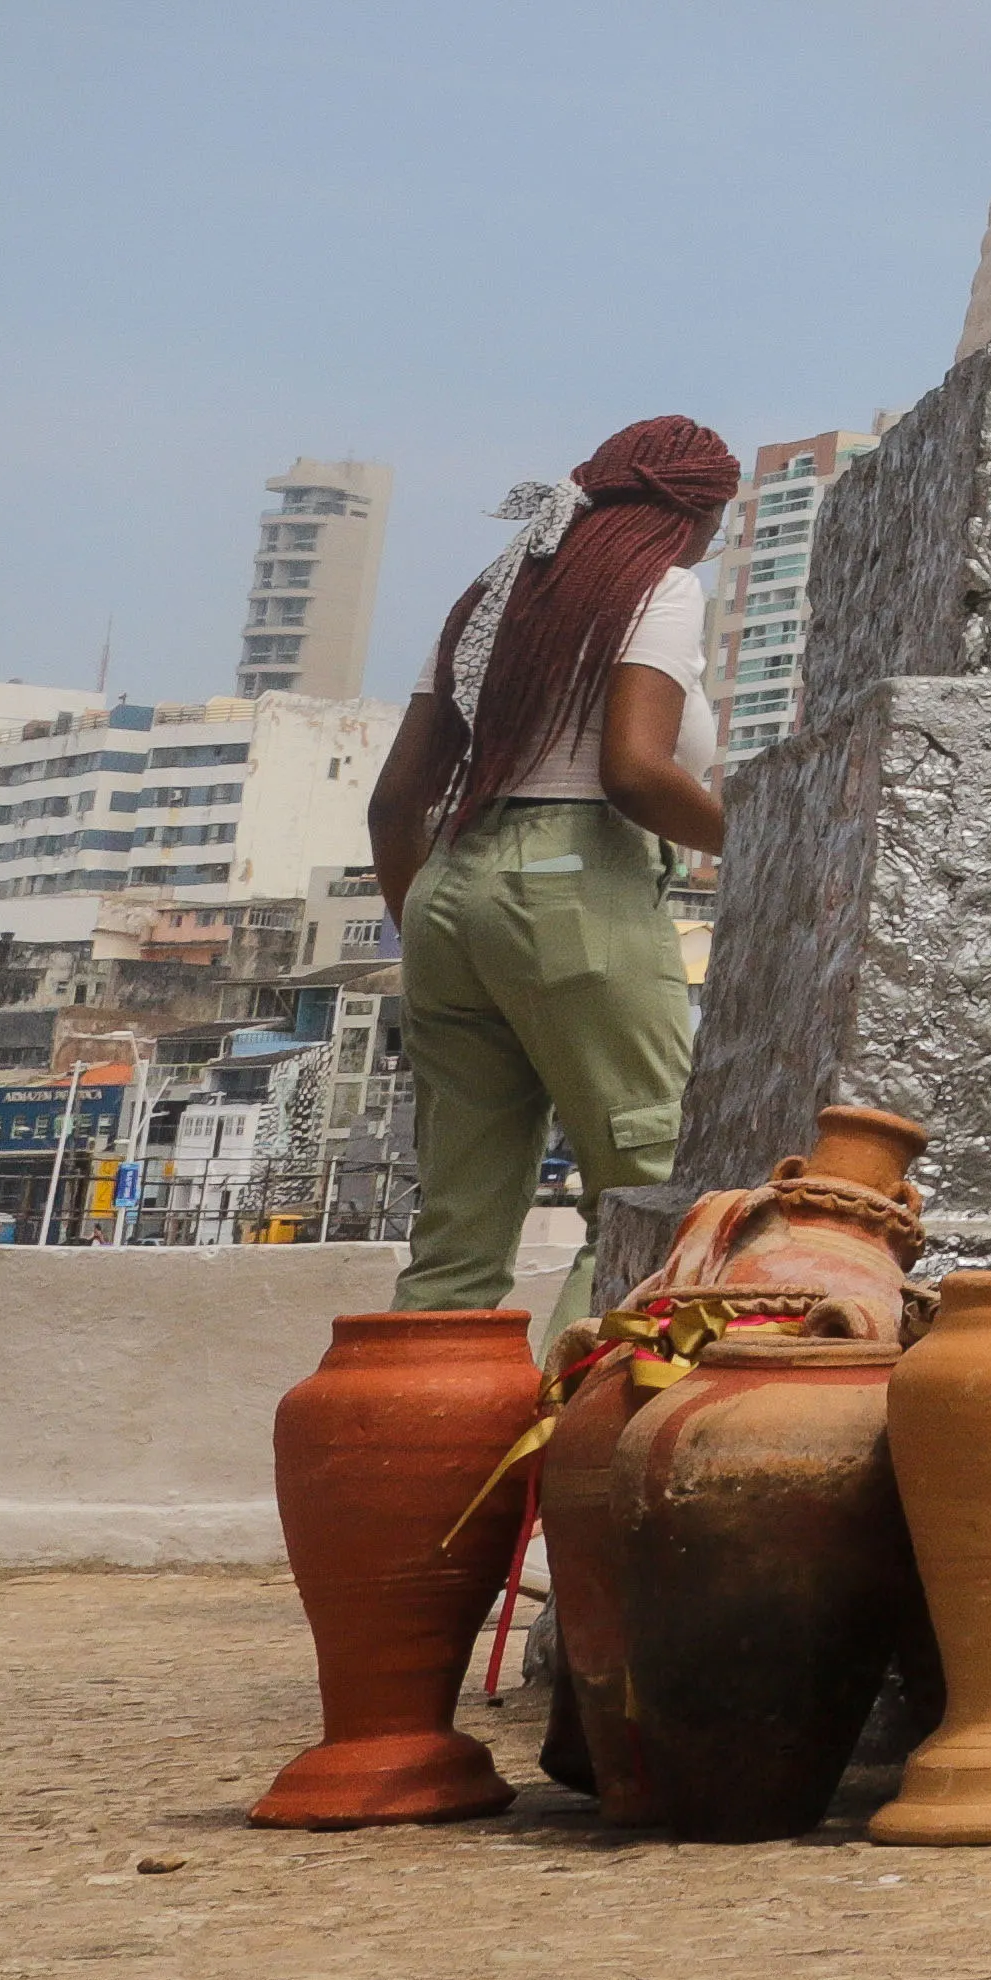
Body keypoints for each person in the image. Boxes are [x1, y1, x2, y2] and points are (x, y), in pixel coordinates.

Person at [367, 419, 742, 1312]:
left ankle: (425, 1445)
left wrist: (429, 932)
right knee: (647, 1203)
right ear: (686, 515)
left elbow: (393, 805)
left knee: (454, 1240)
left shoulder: (491, 593)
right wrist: (759, 845)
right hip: (578, 888)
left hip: (448, 889)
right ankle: (574, 1444)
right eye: (716, 521)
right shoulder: (659, 586)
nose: (714, 542)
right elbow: (635, 771)